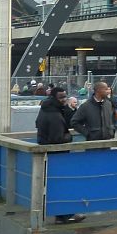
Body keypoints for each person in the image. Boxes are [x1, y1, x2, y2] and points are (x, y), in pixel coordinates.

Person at [35, 86, 85, 224]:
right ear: (55, 98)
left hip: (47, 154)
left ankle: (60, 215)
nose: (64, 100)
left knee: (52, 186)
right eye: (61, 97)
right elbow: (57, 138)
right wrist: (69, 137)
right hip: (58, 156)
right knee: (62, 185)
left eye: (65, 97)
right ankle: (64, 215)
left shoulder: (46, 109)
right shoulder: (54, 115)